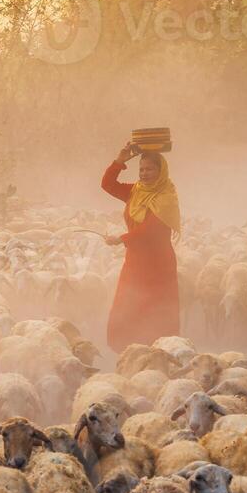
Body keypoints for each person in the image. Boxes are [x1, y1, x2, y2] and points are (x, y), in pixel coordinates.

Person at [101, 141, 181, 352]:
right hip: (135, 261)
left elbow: (152, 230)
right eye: (141, 169)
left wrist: (121, 239)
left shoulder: (166, 197)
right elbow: (108, 184)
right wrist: (120, 160)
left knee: (155, 310)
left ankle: (159, 357)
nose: (144, 174)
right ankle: (129, 356)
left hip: (158, 264)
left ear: (160, 170)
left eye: (150, 169)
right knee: (128, 306)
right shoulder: (136, 191)